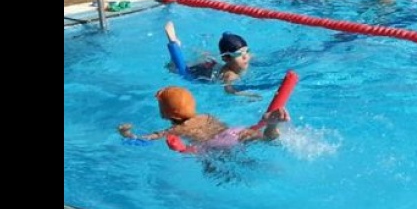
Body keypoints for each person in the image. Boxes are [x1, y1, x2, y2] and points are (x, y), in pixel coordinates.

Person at [117, 85, 289, 150]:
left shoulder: (175, 129)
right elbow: (223, 129)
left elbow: (145, 140)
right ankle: (271, 125)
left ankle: (271, 125)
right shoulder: (206, 116)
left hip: (216, 144)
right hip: (234, 132)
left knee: (214, 168)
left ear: (165, 112)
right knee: (262, 138)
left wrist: (127, 134)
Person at [164, 22, 260, 97]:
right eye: (239, 54)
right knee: (178, 71)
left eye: (246, 51)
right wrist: (246, 95)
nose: (245, 56)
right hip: (200, 73)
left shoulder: (244, 59)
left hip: (213, 66)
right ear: (226, 58)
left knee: (206, 57)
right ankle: (174, 44)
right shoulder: (230, 75)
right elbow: (229, 90)